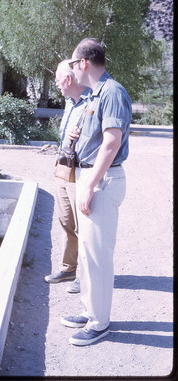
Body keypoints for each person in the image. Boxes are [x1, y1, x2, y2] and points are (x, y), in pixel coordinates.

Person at [61, 38, 132, 345]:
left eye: (73, 64)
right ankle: (91, 310)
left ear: (84, 64)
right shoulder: (93, 95)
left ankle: (100, 323)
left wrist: (89, 186)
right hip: (91, 178)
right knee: (89, 255)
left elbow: (112, 143)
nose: (72, 70)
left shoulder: (112, 92)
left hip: (101, 181)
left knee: (98, 256)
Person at [44, 60, 90, 294]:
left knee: (83, 226)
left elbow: (100, 140)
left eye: (57, 80)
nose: (56, 85)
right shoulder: (70, 104)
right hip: (63, 167)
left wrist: (79, 137)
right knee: (65, 221)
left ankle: (84, 276)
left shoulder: (91, 102)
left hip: (79, 171)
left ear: (68, 79)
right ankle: (68, 268)